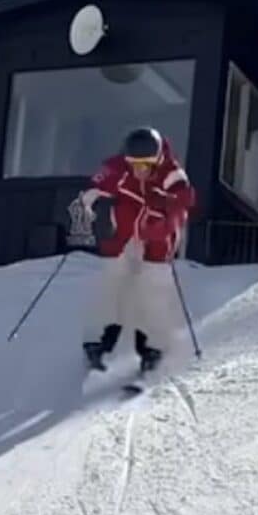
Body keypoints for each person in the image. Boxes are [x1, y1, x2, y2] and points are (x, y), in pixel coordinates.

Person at [76, 127, 196, 374]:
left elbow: (184, 204)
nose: (140, 169)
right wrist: (87, 208)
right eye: (134, 163)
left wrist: (164, 212)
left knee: (150, 290)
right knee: (113, 284)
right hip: (123, 236)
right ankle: (99, 341)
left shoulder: (172, 174)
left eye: (146, 164)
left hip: (158, 240)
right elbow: (94, 188)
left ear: (158, 159)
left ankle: (151, 348)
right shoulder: (118, 168)